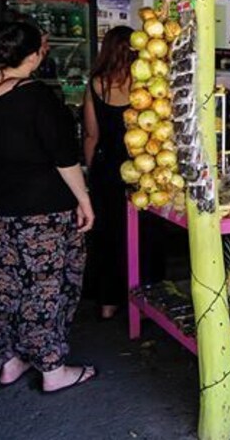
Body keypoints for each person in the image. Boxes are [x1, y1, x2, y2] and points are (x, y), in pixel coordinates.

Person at [0, 22, 97, 392]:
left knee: (0, 288)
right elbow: (64, 158)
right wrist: (84, 200)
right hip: (42, 214)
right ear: (33, 55)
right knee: (45, 288)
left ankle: (8, 361)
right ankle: (52, 369)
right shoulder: (38, 97)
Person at [82, 26, 133, 320]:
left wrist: (90, 173)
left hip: (107, 169)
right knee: (141, 233)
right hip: (141, 168)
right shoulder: (145, 85)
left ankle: (108, 303)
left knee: (108, 235)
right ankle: (142, 295)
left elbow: (91, 135)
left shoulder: (96, 84)